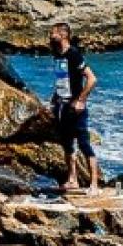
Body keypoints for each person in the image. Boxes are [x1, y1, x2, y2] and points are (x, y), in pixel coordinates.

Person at [49, 23, 101, 192]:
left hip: (75, 108)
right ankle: (73, 179)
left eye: (53, 33)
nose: (50, 36)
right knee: (67, 144)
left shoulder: (74, 55)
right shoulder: (57, 55)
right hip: (61, 106)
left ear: (63, 35)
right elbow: (62, 80)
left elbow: (92, 79)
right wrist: (54, 99)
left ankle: (94, 184)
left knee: (84, 144)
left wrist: (81, 100)